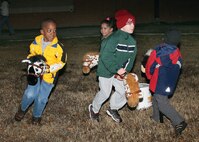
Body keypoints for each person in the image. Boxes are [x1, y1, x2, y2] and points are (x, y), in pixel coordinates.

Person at [89, 9, 137, 123]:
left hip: (119, 71)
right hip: (106, 69)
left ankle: (113, 108)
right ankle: (94, 109)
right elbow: (106, 57)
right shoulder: (112, 39)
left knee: (123, 91)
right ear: (121, 25)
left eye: (133, 23)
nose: (132, 25)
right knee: (105, 93)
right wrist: (117, 70)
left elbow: (131, 59)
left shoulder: (132, 42)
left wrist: (124, 73)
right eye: (129, 23)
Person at [14, 18, 66, 125]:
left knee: (42, 99)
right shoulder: (35, 42)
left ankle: (36, 116)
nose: (53, 33)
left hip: (49, 77)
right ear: (42, 32)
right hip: (35, 74)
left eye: (55, 30)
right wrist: (32, 62)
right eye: (49, 30)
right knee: (30, 94)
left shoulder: (59, 47)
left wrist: (48, 68)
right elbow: (30, 54)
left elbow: (62, 62)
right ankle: (22, 109)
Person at [145, 29, 187, 136]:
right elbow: (179, 65)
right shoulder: (177, 52)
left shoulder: (158, 51)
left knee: (162, 103)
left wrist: (149, 75)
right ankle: (157, 117)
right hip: (170, 82)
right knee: (156, 98)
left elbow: (150, 65)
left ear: (165, 38)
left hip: (159, 80)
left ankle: (179, 122)